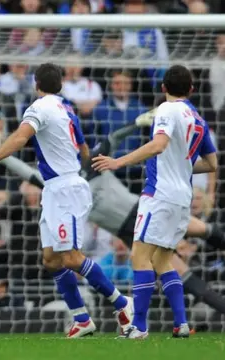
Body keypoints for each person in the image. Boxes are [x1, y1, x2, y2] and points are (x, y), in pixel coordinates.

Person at [0, 102, 225, 317]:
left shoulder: (92, 160)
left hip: (143, 211)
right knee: (181, 271)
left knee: (202, 230)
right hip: (131, 233)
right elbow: (29, 174)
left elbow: (113, 139)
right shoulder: (59, 183)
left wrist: (136, 125)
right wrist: (1, 156)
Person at [0, 63, 133, 338]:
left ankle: (122, 303)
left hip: (65, 191)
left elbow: (22, 136)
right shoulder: (66, 108)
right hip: (56, 189)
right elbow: (83, 148)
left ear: (37, 84)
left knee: (70, 257)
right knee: (51, 259)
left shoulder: (39, 107)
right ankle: (82, 319)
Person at [92, 65, 218, 339]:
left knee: (140, 256)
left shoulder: (166, 110)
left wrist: (118, 161)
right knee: (163, 260)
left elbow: (158, 145)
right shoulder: (197, 119)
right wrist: (182, 168)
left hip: (160, 194)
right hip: (182, 197)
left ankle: (138, 326)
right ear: (191, 90)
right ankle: (181, 323)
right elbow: (212, 163)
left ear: (163, 88)